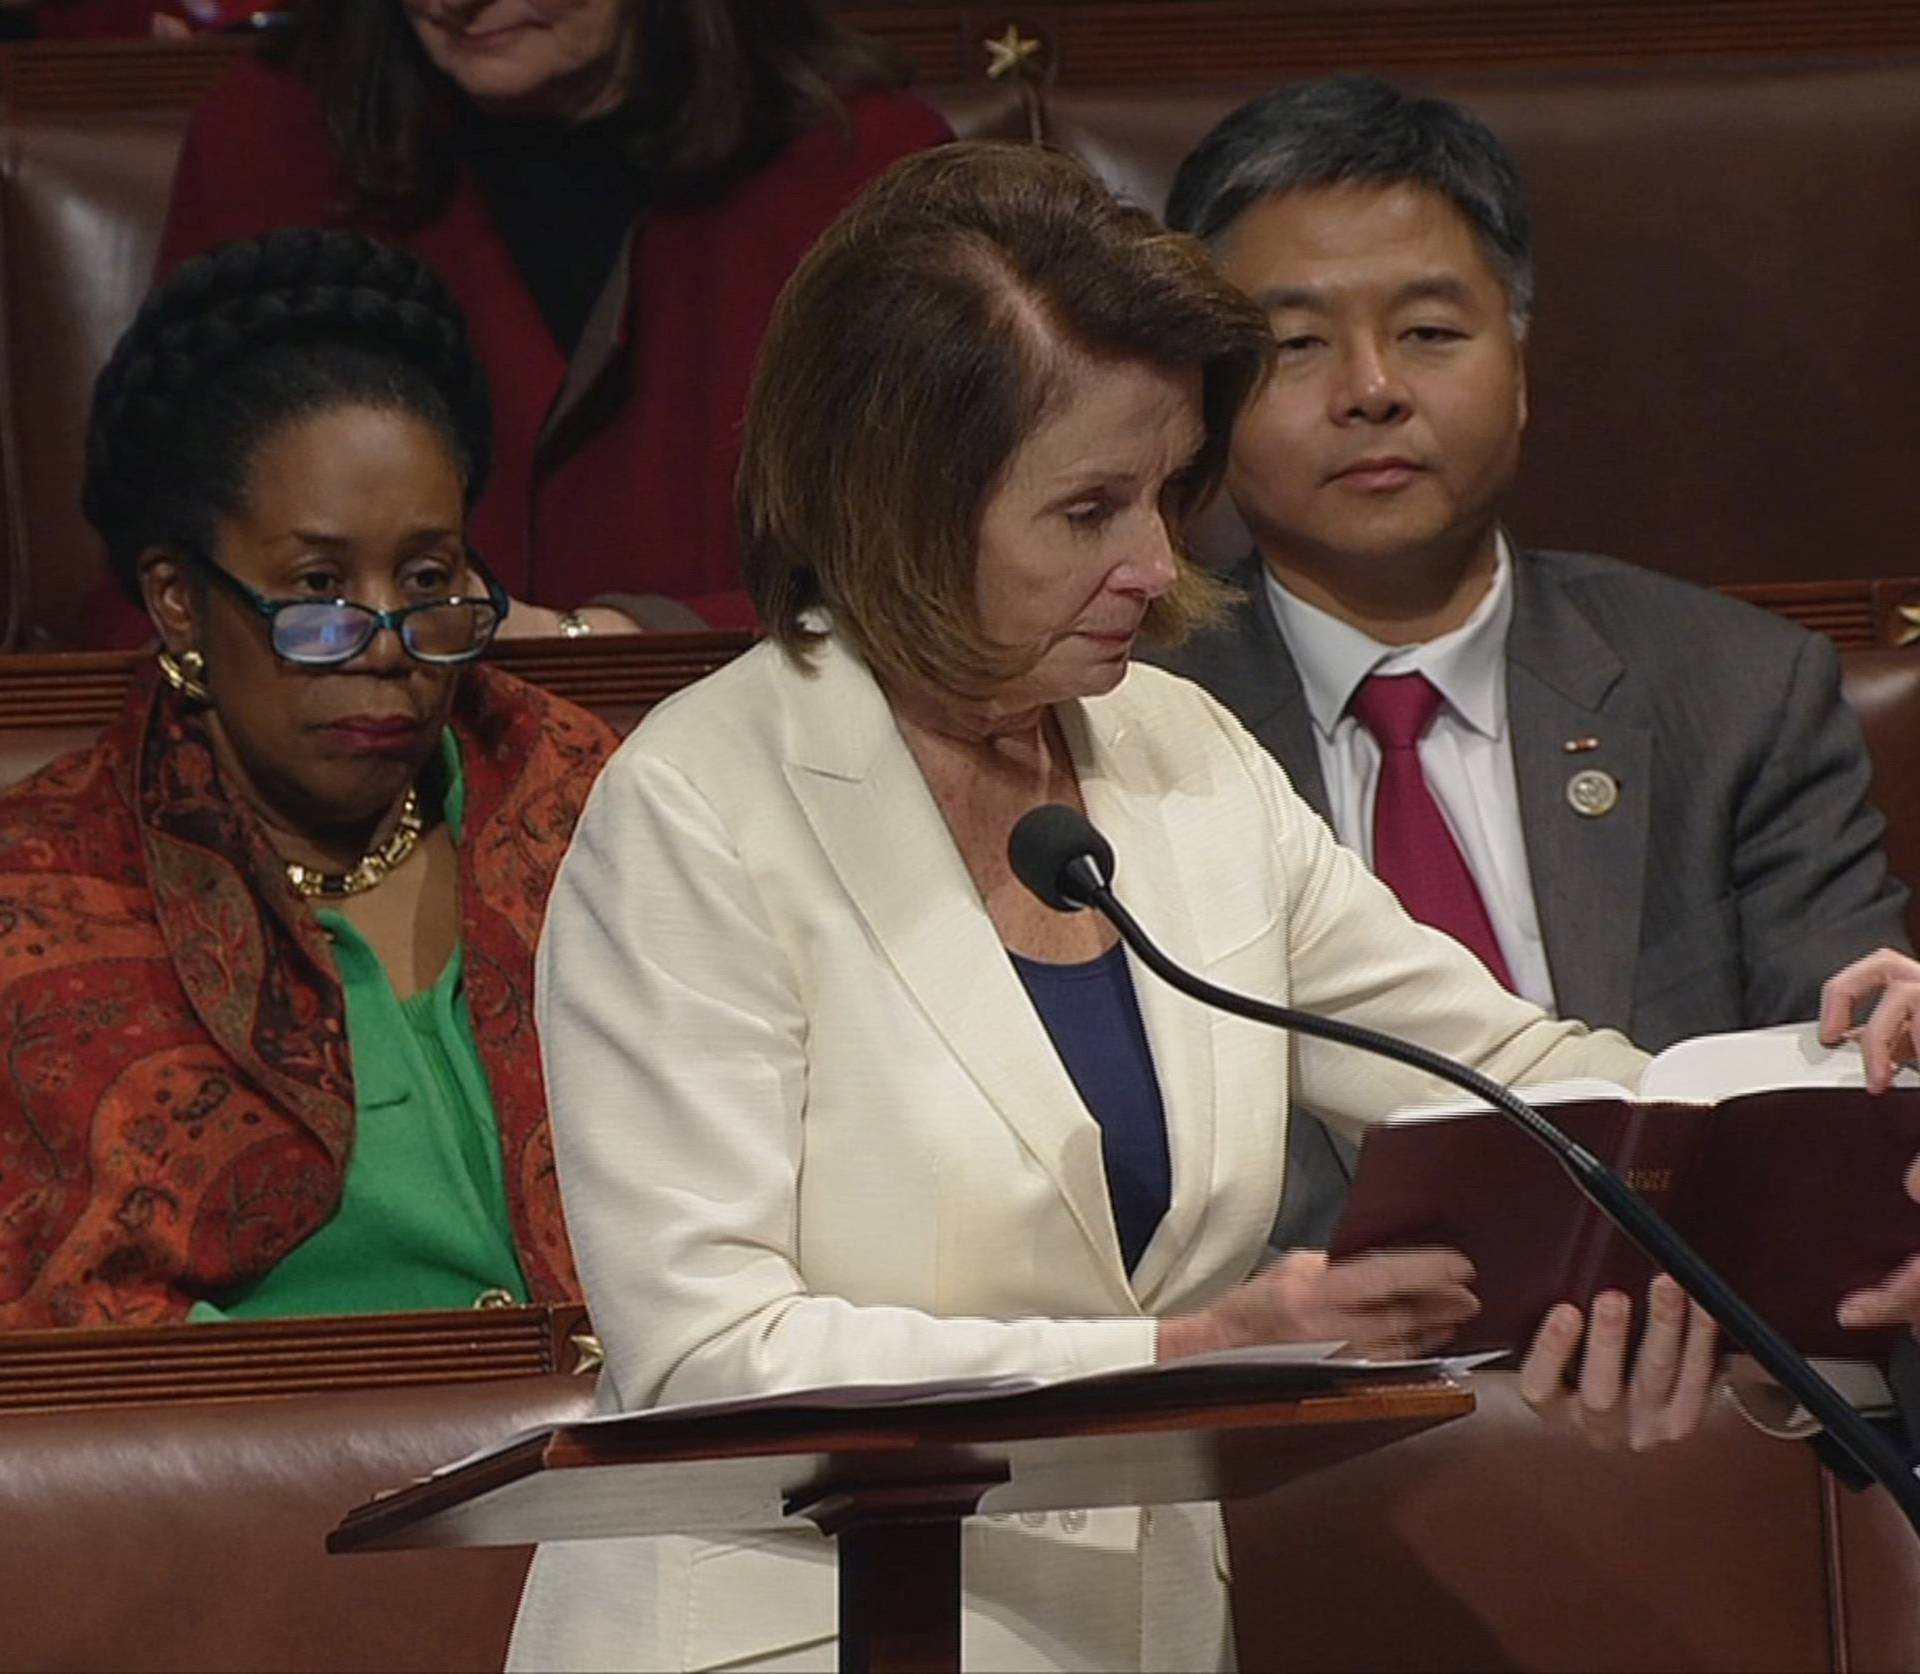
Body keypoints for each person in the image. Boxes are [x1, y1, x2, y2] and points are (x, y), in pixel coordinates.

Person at [504, 142, 1729, 1674]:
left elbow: (1514, 1082)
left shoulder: (1183, 756)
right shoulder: (697, 810)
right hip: (787, 1633)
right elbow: (710, 1355)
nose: (1155, 566)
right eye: (1088, 507)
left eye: (1163, 495)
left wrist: (1830, 1087)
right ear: (896, 499)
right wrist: (1180, 1356)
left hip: (1130, 1636)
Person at [1150, 75, 1912, 1248]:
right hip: (1292, 1380)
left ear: (1519, 362)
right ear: (1202, 399)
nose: (1372, 390)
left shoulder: (1739, 693)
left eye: (1429, 333)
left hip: (1686, 1339)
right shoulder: (1133, 719)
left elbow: (1841, 1088)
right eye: (1296, 344)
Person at [0, 227, 616, 1329]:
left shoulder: (593, 808)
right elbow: (69, 1323)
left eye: (427, 577)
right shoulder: (43, 899)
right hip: (262, 1489)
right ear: (180, 601)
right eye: (320, 589)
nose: (384, 642)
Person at [82, 0, 950, 646]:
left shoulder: (860, 160)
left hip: (749, 787)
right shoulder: (270, 136)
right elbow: (165, 562)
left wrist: (618, 638)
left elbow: (938, 575)